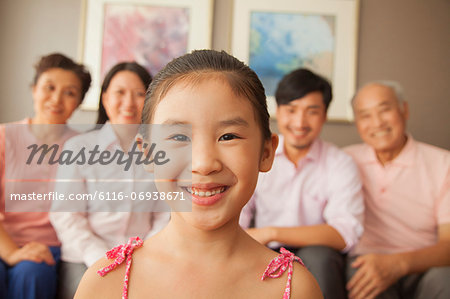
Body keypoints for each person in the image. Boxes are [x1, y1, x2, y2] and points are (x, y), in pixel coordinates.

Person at [74, 50, 322, 298]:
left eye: (228, 136)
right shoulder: (105, 283)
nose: (203, 164)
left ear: (266, 152)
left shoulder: (295, 287)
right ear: (147, 153)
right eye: (179, 137)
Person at [239, 68, 364, 299]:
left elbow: (345, 233)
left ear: (325, 115)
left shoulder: (340, 163)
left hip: (318, 256)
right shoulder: (258, 155)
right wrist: (259, 239)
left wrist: (271, 232)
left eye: (311, 112)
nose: (300, 121)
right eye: (292, 110)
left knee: (319, 257)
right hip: (263, 250)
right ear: (277, 111)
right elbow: (239, 216)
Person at [49, 62, 170, 299]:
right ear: (105, 99)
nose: (129, 102)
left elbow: (164, 215)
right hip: (85, 257)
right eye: (120, 92)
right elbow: (66, 215)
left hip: (144, 257)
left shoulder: (160, 152)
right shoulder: (78, 147)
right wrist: (102, 258)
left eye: (139, 94)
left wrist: (141, 255)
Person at [343, 81, 450, 299]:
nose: (377, 123)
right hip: (366, 261)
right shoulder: (345, 161)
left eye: (385, 110)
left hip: (424, 265)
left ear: (404, 110)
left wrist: (399, 263)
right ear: (357, 123)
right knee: (363, 277)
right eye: (365, 115)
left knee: (444, 280)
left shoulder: (443, 164)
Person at [0, 53, 91, 299]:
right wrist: (10, 253)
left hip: (48, 247)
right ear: (34, 90)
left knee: (33, 272)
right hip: (3, 239)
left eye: (70, 93)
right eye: (49, 88)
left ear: (78, 102)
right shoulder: (4, 137)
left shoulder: (82, 147)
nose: (56, 99)